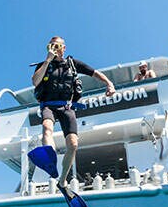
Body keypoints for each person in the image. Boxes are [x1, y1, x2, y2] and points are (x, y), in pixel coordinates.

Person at [32, 36, 116, 187]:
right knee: (46, 128)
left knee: (73, 144)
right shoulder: (44, 64)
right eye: (52, 46)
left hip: (66, 107)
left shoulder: (73, 64)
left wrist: (109, 84)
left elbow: (94, 72)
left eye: (59, 46)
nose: (56, 48)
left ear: (64, 48)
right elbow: (35, 81)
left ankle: (62, 180)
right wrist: (47, 60)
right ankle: (51, 163)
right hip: (48, 105)